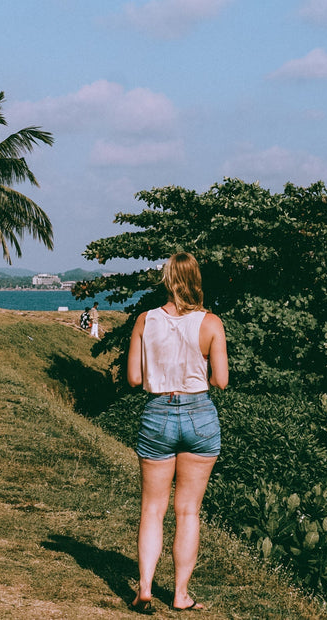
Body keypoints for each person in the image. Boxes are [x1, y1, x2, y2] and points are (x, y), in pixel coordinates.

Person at [126, 252, 228, 613]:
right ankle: (181, 595)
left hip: (157, 413)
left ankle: (146, 588)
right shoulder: (211, 323)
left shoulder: (145, 320)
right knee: (188, 511)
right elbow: (221, 380)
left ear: (167, 279)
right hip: (200, 413)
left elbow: (135, 379)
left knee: (152, 509)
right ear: (196, 279)